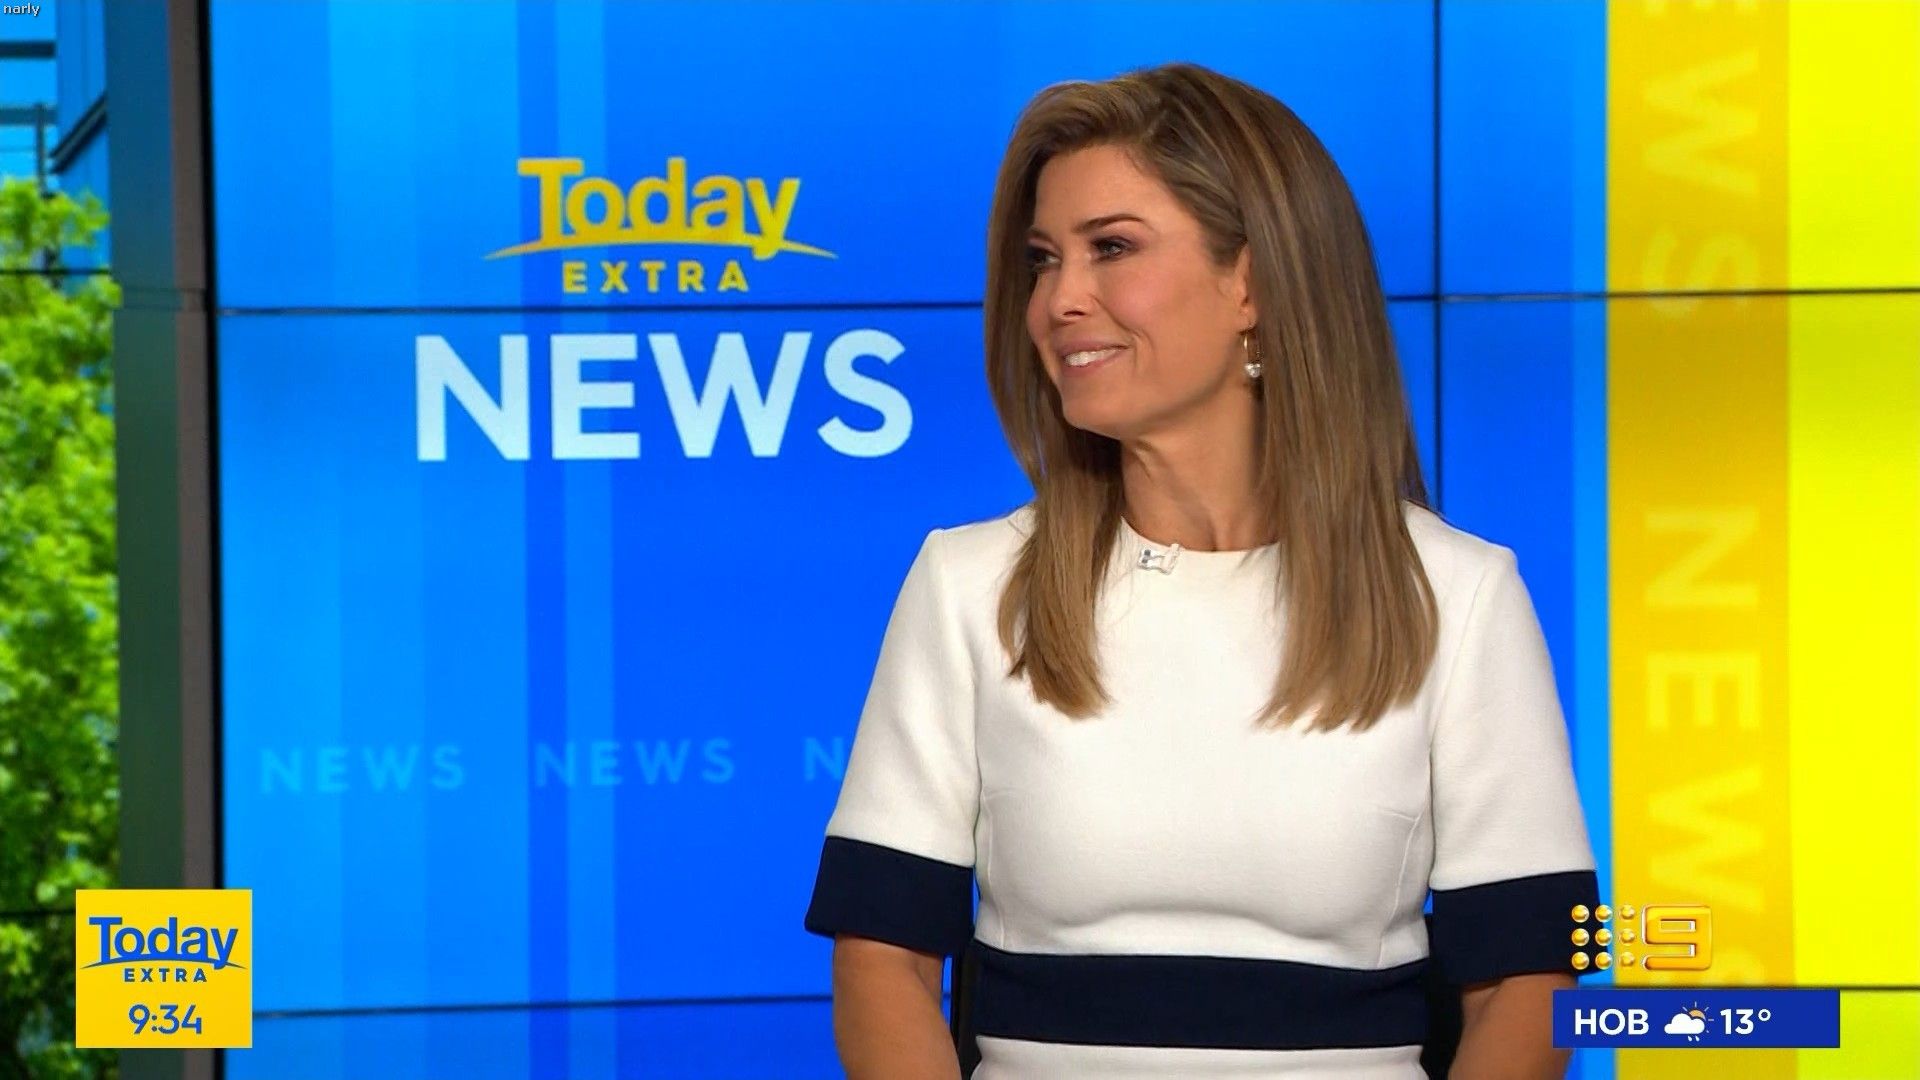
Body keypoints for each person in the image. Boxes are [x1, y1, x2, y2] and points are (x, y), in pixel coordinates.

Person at [804, 62, 1598, 1079]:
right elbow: (884, 963)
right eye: (1044, 260)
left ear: (1251, 284)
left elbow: (1526, 986)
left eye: (1112, 248)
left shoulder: (1457, 596)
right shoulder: (969, 585)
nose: (1059, 301)